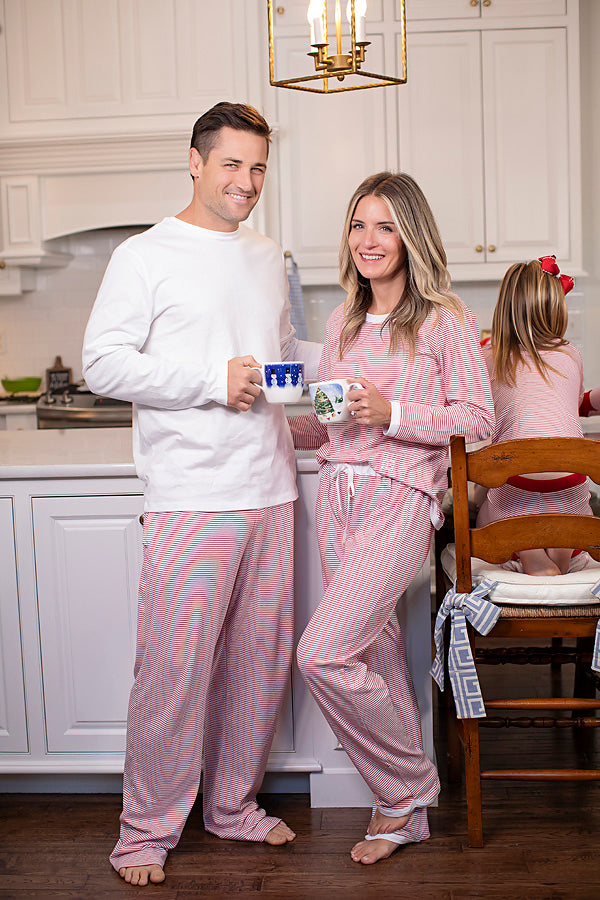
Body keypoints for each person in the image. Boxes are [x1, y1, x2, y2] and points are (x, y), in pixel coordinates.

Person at [82, 101, 321, 887]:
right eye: (232, 165)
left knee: (258, 663)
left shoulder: (263, 254)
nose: (247, 182)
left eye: (257, 167)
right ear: (194, 161)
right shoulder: (145, 255)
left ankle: (232, 808)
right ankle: (145, 832)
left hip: (270, 487)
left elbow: (275, 361)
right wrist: (209, 383)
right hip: (190, 490)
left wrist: (368, 350)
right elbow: (104, 365)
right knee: (173, 670)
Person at [289, 172, 495, 865]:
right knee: (372, 651)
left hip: (398, 498)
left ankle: (408, 785)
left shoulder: (446, 319)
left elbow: (477, 423)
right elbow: (331, 426)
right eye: (358, 225)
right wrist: (264, 423)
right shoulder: (340, 320)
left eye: (384, 226)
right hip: (338, 500)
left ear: (410, 235)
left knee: (321, 654)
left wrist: (394, 414)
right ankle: (403, 815)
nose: (368, 240)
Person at [476, 255, 598, 576]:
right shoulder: (570, 353)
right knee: (570, 502)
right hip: (570, 490)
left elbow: (476, 415)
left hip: (515, 491)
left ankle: (528, 548)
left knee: (483, 503)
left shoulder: (488, 357)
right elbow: (568, 408)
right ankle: (562, 546)